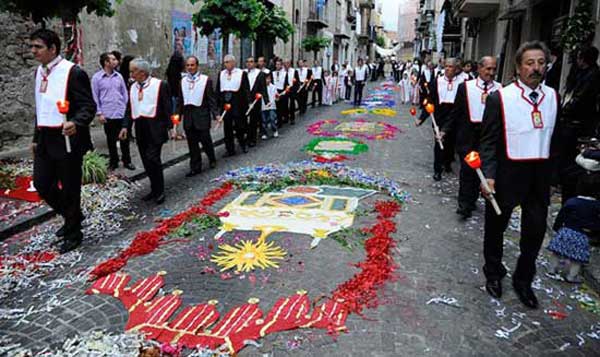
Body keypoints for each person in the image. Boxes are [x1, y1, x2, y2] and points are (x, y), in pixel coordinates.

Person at [479, 41, 560, 309]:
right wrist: (488, 176)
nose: (536, 68)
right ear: (518, 67)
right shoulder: (500, 98)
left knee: (535, 232)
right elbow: (488, 141)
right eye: (529, 63)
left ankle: (523, 280)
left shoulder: (553, 96)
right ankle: (493, 272)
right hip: (507, 173)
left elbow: (556, 138)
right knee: (495, 228)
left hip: (539, 176)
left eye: (540, 62)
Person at [30, 29, 96, 253]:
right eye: (33, 46)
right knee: (41, 183)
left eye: (38, 47)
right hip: (46, 138)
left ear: (53, 48)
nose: (33, 51)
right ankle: (72, 215)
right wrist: (36, 137)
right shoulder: (39, 72)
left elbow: (88, 106)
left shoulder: (73, 72)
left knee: (69, 187)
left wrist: (75, 122)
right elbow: (40, 106)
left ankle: (73, 232)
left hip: (67, 138)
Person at [444, 56, 500, 219]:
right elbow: (456, 112)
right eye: (488, 69)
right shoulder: (466, 87)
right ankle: (464, 205)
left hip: (488, 137)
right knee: (467, 171)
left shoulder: (500, 89)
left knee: (481, 171)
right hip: (468, 136)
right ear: (479, 69)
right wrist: (445, 130)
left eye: (494, 69)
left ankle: (473, 198)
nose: (491, 73)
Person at [120, 59, 171, 204]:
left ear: (142, 72)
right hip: (141, 128)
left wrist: (172, 128)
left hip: (156, 128)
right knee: (146, 161)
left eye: (132, 71)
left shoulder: (160, 85)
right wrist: (125, 127)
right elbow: (129, 108)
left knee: (153, 159)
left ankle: (160, 191)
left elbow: (167, 108)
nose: (130, 74)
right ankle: (154, 189)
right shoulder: (133, 87)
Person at [559, 46, 600, 203]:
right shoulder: (581, 74)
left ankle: (570, 194)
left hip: (579, 125)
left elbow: (580, 99)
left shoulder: (591, 76)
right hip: (576, 123)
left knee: (571, 165)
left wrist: (566, 110)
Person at [417, 58, 465, 181]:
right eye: (446, 66)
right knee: (439, 142)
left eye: (451, 67)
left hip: (455, 115)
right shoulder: (437, 81)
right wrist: (422, 118)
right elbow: (430, 100)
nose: (448, 69)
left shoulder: (463, 83)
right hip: (440, 115)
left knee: (451, 143)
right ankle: (437, 169)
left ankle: (447, 163)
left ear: (456, 69)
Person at [547, 173, 600, 283]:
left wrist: (557, 227)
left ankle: (551, 269)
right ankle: (571, 276)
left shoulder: (572, 201)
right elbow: (597, 222)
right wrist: (593, 230)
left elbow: (561, 215)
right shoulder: (596, 206)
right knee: (577, 259)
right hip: (582, 234)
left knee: (556, 253)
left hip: (566, 231)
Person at [92, 52, 134, 171]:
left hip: (121, 112)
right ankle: (114, 161)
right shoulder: (97, 78)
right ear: (106, 62)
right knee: (111, 140)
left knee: (125, 138)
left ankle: (127, 160)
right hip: (108, 113)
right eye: (113, 59)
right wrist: (99, 113)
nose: (116, 62)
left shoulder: (119, 76)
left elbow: (124, 93)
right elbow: (95, 97)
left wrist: (126, 109)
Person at [177, 56, 218, 177]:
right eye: (188, 65)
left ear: (197, 66)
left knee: (205, 140)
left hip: (202, 114)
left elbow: (211, 99)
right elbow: (180, 100)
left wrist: (216, 114)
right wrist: (177, 116)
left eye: (192, 65)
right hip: (189, 115)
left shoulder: (206, 80)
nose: (190, 68)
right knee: (192, 143)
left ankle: (211, 158)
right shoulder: (183, 81)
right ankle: (195, 166)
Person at [216, 54, 250, 156]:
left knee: (239, 125)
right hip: (225, 102)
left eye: (227, 62)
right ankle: (230, 149)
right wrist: (218, 106)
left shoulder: (241, 73)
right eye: (225, 62)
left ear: (233, 63)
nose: (226, 64)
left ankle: (243, 144)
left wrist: (248, 102)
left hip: (237, 102)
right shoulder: (221, 74)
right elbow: (218, 89)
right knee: (227, 127)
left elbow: (246, 89)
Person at [244, 56, 267, 146]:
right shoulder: (243, 73)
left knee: (253, 120)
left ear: (255, 63)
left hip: (255, 100)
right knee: (244, 120)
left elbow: (263, 88)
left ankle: (252, 139)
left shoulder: (259, 74)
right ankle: (246, 136)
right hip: (244, 100)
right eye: (247, 61)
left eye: (251, 61)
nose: (249, 63)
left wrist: (266, 100)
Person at [166, 53, 185, 140]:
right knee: (177, 114)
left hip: (171, 95)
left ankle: (173, 132)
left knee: (173, 114)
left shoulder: (169, 71)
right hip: (177, 95)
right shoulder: (179, 75)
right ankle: (175, 132)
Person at [261, 75, 279, 139]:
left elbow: (276, 96)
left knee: (272, 119)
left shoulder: (273, 87)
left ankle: (275, 130)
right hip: (263, 106)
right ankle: (264, 133)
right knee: (264, 120)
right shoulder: (261, 87)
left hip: (272, 106)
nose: (267, 80)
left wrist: (277, 98)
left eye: (269, 79)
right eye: (266, 79)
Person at [283, 59, 300, 125]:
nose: (286, 65)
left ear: (290, 64)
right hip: (284, 89)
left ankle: (292, 118)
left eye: (287, 63)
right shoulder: (282, 71)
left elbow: (297, 81)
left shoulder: (294, 71)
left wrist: (295, 90)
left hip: (292, 89)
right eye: (285, 63)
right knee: (285, 103)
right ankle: (286, 117)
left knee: (292, 104)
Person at [273, 59, 288, 126]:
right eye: (276, 64)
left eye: (279, 64)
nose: (277, 66)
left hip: (282, 91)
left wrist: (284, 92)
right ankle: (278, 120)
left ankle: (280, 120)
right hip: (275, 91)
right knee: (276, 107)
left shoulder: (285, 73)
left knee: (281, 107)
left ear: (281, 65)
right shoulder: (273, 73)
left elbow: (286, 83)